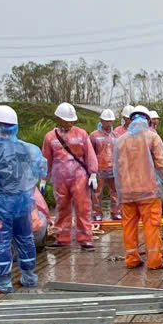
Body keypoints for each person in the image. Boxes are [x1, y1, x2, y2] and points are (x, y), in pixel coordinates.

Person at [0, 105, 48, 294]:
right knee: (25, 239)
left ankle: (3, 282)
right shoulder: (29, 149)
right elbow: (42, 171)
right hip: (22, 202)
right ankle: (29, 276)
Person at [113, 105, 163, 270]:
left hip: (126, 191)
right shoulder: (152, 137)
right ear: (148, 119)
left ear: (130, 120)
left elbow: (116, 168)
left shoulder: (120, 141)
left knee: (128, 226)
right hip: (149, 191)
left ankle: (132, 259)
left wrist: (119, 190)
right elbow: (161, 163)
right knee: (151, 225)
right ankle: (154, 261)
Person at [42, 102, 99, 250]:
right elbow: (46, 158)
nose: (69, 123)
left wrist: (93, 174)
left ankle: (85, 239)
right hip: (60, 178)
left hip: (79, 176)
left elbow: (89, 154)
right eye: (66, 120)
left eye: (71, 120)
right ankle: (62, 237)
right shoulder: (50, 137)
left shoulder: (81, 134)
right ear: (58, 119)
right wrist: (43, 178)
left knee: (83, 207)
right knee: (62, 207)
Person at [90, 108, 122, 223]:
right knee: (97, 193)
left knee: (115, 192)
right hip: (99, 169)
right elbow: (90, 153)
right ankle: (97, 213)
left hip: (113, 169)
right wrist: (91, 171)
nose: (108, 123)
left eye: (110, 121)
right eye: (106, 121)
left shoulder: (116, 136)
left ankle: (116, 212)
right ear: (101, 121)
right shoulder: (94, 136)